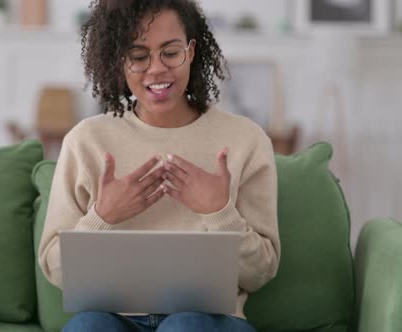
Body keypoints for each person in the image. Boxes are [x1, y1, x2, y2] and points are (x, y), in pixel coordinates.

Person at [38, 0, 280, 331]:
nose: (156, 69)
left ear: (191, 51)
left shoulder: (244, 140)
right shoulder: (86, 141)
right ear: (120, 60)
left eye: (170, 52)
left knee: (184, 325)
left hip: (208, 321)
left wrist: (220, 213)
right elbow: (54, 269)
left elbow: (261, 271)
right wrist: (102, 217)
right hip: (112, 318)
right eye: (138, 57)